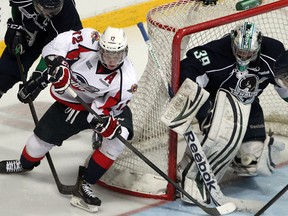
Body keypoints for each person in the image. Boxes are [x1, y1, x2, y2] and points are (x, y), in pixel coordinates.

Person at [0, 26, 138, 213]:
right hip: (70, 102)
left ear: (125, 52)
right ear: (99, 48)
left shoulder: (127, 80)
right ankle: (24, 165)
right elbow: (52, 47)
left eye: (117, 55)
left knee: (119, 138)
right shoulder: (89, 39)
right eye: (107, 54)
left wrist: (103, 123)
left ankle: (86, 183)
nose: (112, 61)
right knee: (36, 145)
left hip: (102, 108)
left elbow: (108, 107)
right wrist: (60, 65)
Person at [164, 21, 286, 205]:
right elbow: (188, 74)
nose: (244, 56)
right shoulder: (212, 54)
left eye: (250, 53)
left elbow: (284, 84)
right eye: (240, 51)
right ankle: (186, 168)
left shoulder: (274, 53)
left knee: (249, 162)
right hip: (217, 101)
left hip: (248, 104)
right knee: (216, 136)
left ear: (259, 47)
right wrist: (199, 108)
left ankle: (233, 157)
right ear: (232, 43)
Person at [0, 0, 82, 99]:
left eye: (54, 10)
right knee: (6, 73)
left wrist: (38, 77)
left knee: (76, 76)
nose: (48, 14)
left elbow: (55, 51)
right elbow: (16, 5)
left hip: (60, 35)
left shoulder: (67, 15)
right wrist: (17, 27)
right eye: (44, 9)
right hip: (31, 30)